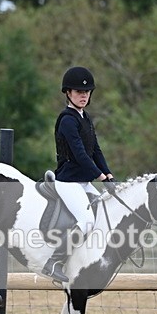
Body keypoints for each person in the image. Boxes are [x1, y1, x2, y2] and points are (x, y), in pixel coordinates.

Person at [42, 66, 117, 282]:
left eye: (86, 92)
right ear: (68, 93)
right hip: (68, 181)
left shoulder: (85, 118)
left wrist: (109, 174)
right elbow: (80, 155)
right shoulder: (67, 120)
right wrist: (101, 177)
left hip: (83, 181)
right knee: (86, 221)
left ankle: (88, 259)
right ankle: (54, 261)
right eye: (78, 92)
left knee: (103, 213)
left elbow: (95, 150)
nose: (83, 96)